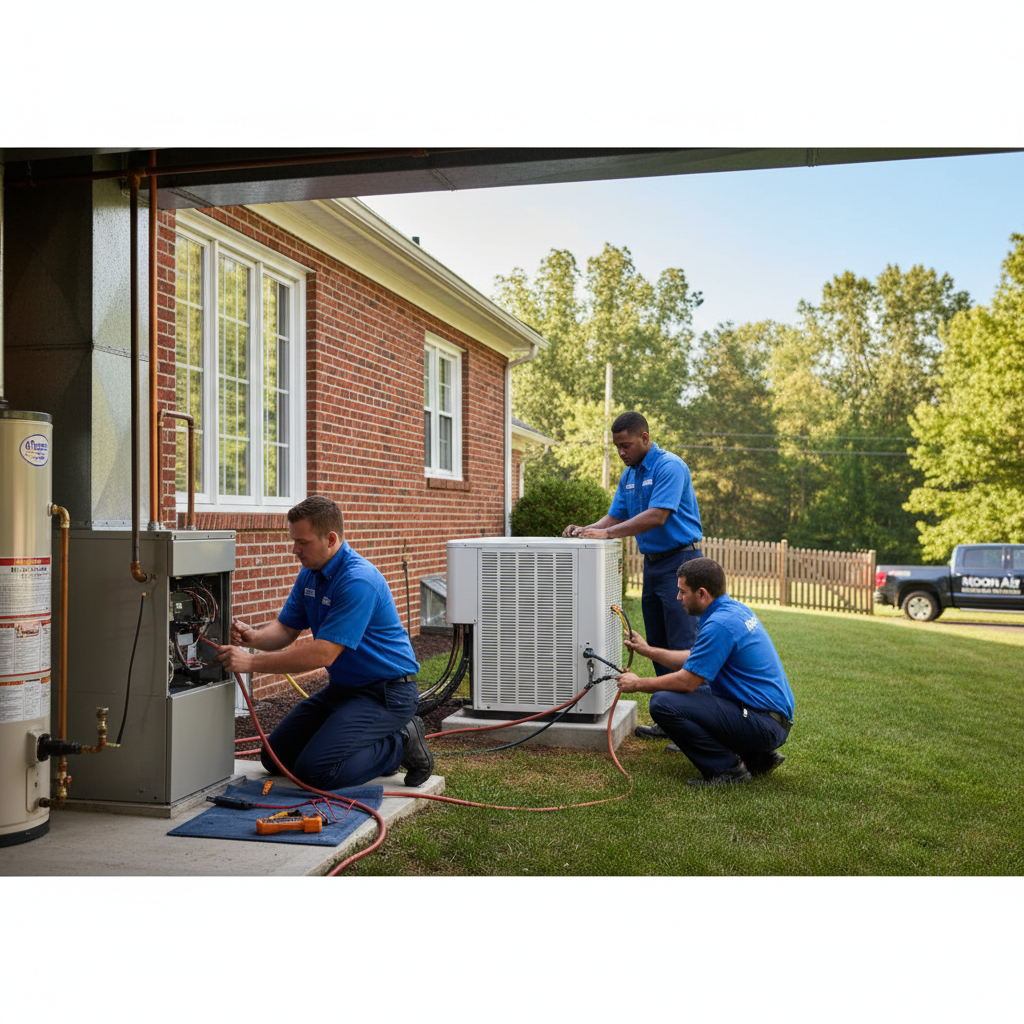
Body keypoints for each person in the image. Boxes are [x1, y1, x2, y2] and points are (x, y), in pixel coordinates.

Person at [215, 495, 434, 789]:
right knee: (273, 757)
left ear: (330, 539)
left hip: (387, 694)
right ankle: (371, 746)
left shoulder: (358, 580)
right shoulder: (311, 574)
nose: (295, 550)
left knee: (316, 772)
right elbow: (286, 628)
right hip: (344, 691)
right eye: (294, 541)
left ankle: (400, 740)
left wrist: (251, 662)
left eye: (302, 542)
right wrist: (253, 637)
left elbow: (324, 653)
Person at [561, 411, 703, 739]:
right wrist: (586, 530)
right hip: (653, 565)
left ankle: (696, 726)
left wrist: (607, 536)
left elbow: (657, 516)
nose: (621, 452)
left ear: (645, 438)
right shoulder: (629, 476)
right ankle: (671, 719)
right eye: (617, 447)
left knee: (684, 644)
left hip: (682, 563)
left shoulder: (669, 466)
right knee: (658, 643)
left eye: (626, 446)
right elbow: (615, 517)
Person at [615, 556, 794, 785]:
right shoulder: (733, 610)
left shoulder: (719, 624)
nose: (678, 597)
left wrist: (637, 684)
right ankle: (759, 758)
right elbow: (696, 659)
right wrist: (648, 651)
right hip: (770, 718)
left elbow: (687, 682)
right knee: (692, 697)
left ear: (701, 593)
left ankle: (728, 770)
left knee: (663, 703)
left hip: (764, 724)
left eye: (682, 591)